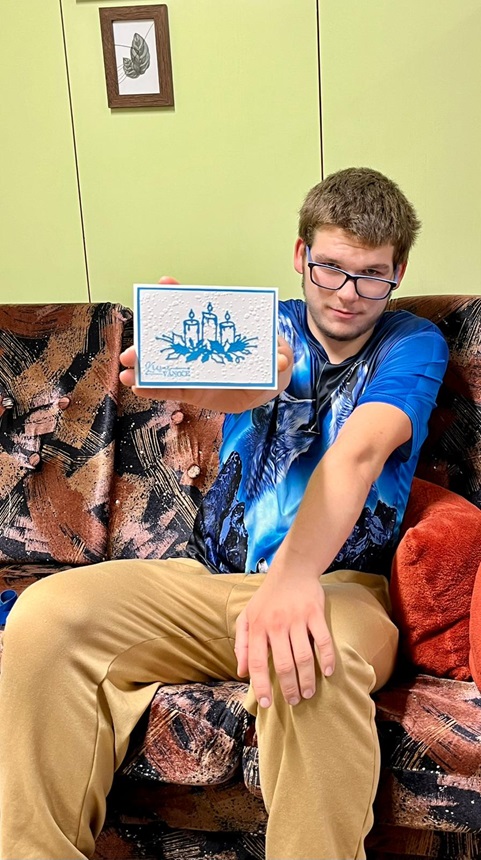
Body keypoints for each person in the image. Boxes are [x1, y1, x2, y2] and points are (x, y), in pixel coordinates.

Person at [0, 167, 449, 860]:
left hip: (339, 589)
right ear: (300, 255)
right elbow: (240, 391)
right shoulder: (263, 328)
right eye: (330, 268)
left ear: (398, 272)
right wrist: (191, 376)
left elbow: (359, 453)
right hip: (210, 583)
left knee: (313, 661)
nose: (347, 293)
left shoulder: (411, 343)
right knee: (45, 616)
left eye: (371, 276)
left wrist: (293, 579)